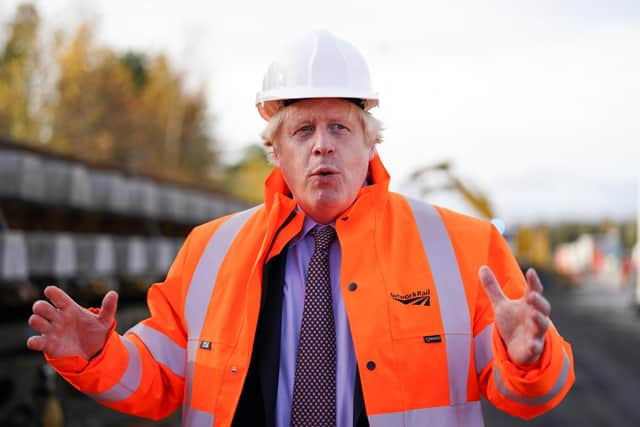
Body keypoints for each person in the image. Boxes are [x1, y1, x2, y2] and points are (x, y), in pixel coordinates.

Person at [27, 30, 574, 427]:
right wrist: (98, 355)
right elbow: (158, 380)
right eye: (303, 129)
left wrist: (530, 356)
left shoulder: (465, 248)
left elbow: (526, 397)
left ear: (370, 143)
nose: (322, 145)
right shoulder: (209, 251)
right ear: (276, 150)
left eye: (340, 126)